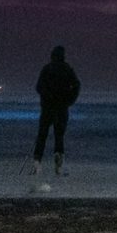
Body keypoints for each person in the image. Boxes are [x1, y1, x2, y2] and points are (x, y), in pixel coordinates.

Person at [32, 45, 81, 175]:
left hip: (47, 107)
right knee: (59, 137)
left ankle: (37, 163)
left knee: (42, 135)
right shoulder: (67, 69)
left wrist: (46, 96)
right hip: (61, 107)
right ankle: (58, 167)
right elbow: (77, 85)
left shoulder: (47, 69)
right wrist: (70, 100)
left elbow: (38, 87)